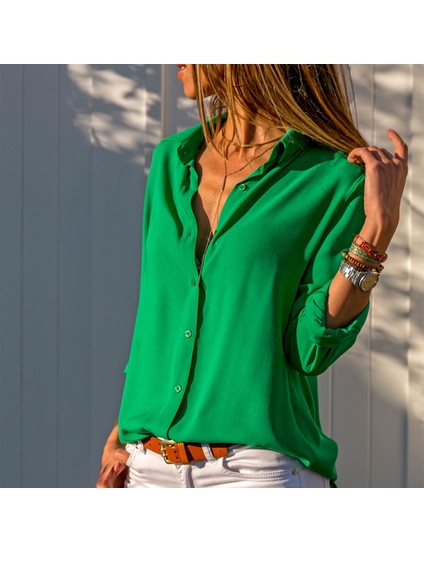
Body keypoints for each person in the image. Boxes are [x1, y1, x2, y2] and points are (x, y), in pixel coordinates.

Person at [96, 64, 408, 488]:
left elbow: (309, 351)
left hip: (255, 474)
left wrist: (377, 232)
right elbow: (160, 318)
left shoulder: (336, 177)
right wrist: (121, 433)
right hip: (146, 468)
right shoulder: (173, 160)